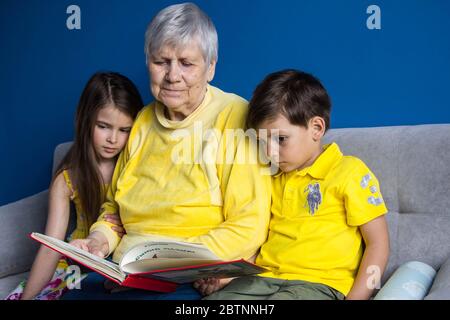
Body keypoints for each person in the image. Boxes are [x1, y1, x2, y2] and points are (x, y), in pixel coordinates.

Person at [64, 3, 271, 300]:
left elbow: (248, 225)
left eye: (187, 63)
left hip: (190, 275)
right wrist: (97, 242)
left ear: (210, 67)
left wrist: (172, 265)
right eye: (162, 61)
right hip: (124, 271)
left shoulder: (235, 117)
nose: (172, 75)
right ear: (148, 61)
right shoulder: (143, 121)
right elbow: (114, 212)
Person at [200, 69, 390, 300]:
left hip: (318, 285)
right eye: (262, 141)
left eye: (280, 139)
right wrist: (228, 276)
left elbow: (378, 245)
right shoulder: (269, 177)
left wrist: (357, 298)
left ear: (317, 128)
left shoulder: (350, 172)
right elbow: (265, 243)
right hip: (261, 280)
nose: (270, 152)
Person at [5, 72, 144, 300]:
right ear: (86, 120)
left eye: (124, 130)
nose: (113, 139)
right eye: (103, 126)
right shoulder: (69, 177)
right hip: (77, 262)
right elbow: (51, 246)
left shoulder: (136, 165)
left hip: (120, 259)